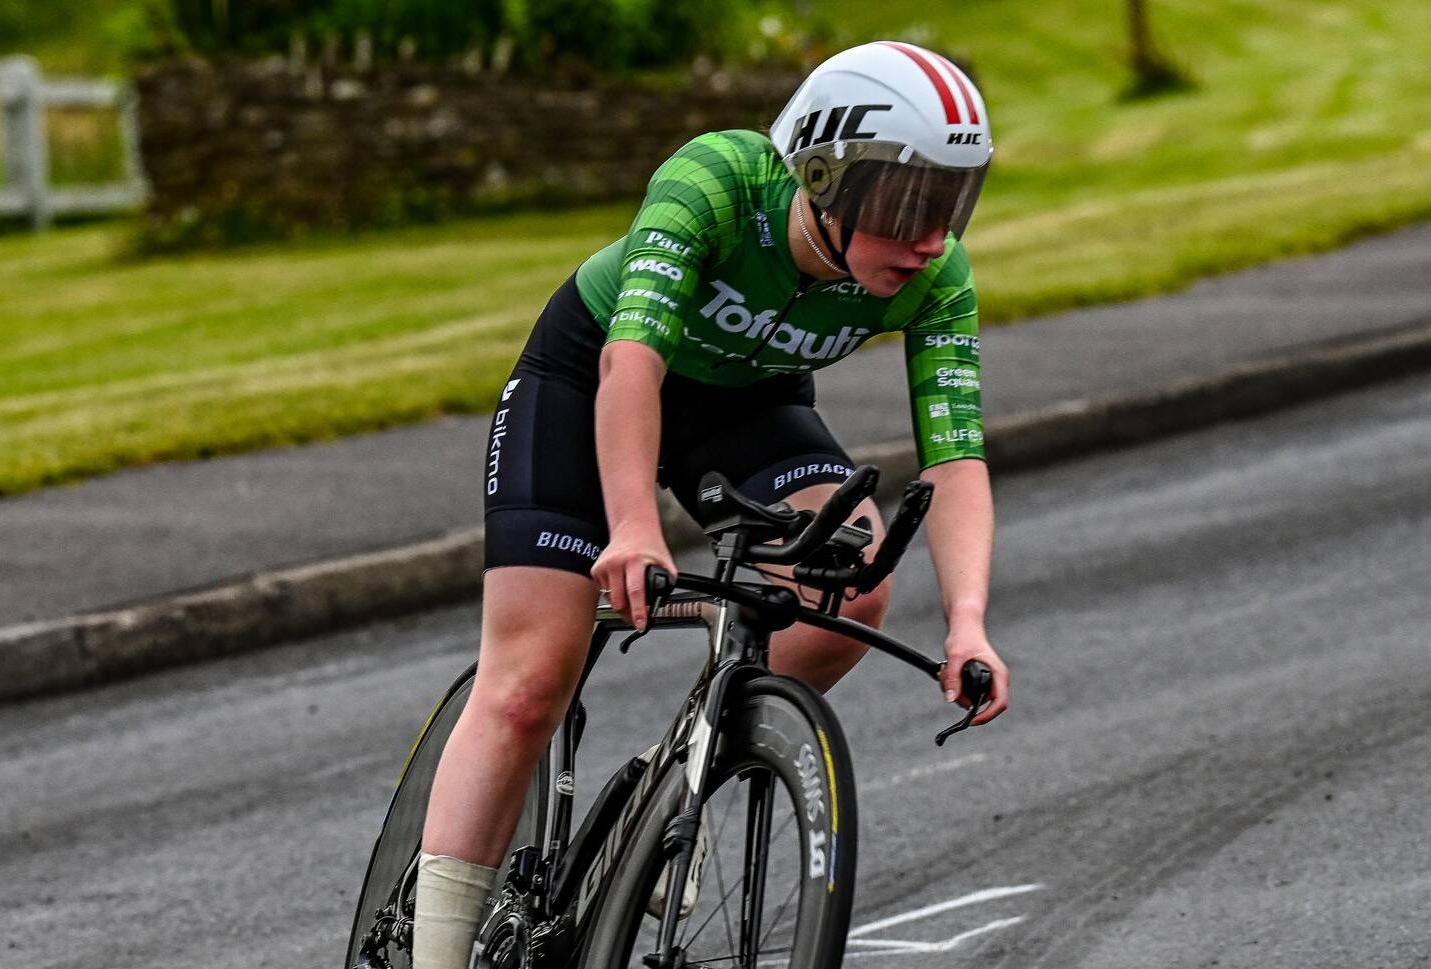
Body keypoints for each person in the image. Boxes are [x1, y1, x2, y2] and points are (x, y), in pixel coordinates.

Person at [412, 40, 1013, 968]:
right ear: (821, 175)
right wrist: (632, 527)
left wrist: (969, 622)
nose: (931, 236)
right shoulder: (719, 181)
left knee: (849, 589)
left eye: (950, 202)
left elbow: (957, 456)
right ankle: (434, 953)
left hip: (747, 404)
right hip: (590, 379)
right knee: (529, 681)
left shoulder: (935, 278)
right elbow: (631, 361)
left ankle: (672, 788)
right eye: (906, 203)